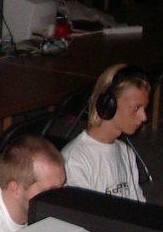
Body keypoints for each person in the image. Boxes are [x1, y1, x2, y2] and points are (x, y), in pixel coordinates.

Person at [62, 63, 150, 202]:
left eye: (144, 108)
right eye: (135, 108)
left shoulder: (126, 152)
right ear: (109, 104)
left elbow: (137, 206)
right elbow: (83, 212)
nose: (144, 117)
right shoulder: (76, 160)